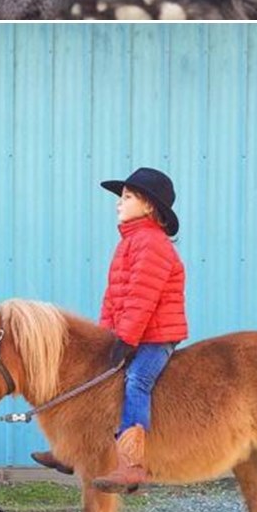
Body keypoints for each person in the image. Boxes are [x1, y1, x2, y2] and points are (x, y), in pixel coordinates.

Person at [97, 163, 189, 482]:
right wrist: (105, 337)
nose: (118, 202)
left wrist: (125, 340)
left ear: (148, 205)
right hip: (133, 335)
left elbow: (141, 298)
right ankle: (82, 447)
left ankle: (132, 464)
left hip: (155, 339)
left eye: (126, 196)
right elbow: (113, 298)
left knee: (137, 380)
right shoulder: (129, 243)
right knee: (98, 376)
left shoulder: (152, 244)